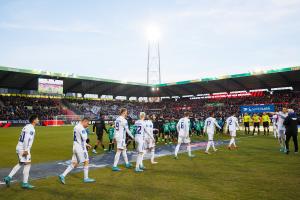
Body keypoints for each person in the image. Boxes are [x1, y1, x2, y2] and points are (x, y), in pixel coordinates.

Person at [3, 115, 39, 189]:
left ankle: (8, 177)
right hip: (23, 149)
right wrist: (26, 150)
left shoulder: (26, 126)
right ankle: (25, 183)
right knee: (27, 164)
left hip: (19, 147)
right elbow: (26, 139)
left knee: (21, 163)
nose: (38, 120)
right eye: (37, 119)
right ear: (34, 120)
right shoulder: (31, 129)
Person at [59, 117, 95, 184]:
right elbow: (85, 138)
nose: (88, 125)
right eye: (87, 123)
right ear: (84, 121)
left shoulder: (76, 127)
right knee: (86, 161)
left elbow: (79, 138)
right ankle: (86, 178)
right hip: (81, 148)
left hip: (75, 146)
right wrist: (86, 131)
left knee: (74, 163)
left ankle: (62, 175)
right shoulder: (81, 128)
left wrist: (86, 144)